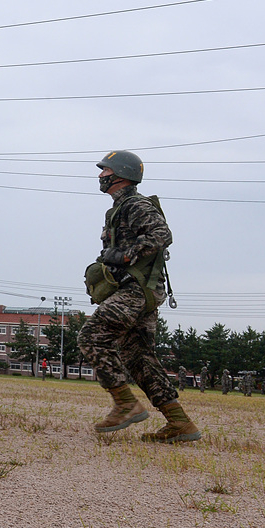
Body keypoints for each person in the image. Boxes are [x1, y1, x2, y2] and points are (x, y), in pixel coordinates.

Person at [79, 150, 200, 443]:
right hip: (139, 291)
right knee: (138, 358)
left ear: (119, 175)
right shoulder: (118, 209)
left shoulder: (135, 205)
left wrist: (125, 254)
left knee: (91, 337)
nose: (100, 176)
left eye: (104, 171)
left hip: (136, 291)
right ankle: (180, 423)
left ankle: (125, 404)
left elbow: (161, 234)